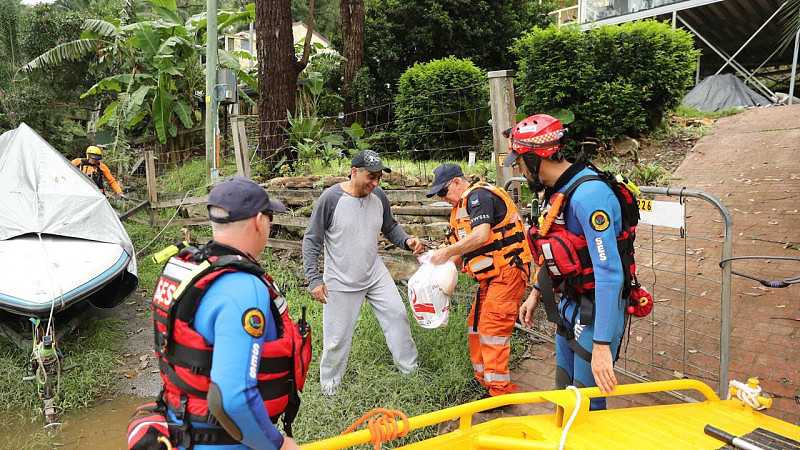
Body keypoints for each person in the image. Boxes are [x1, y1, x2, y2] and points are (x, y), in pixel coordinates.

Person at [149, 177, 306, 449]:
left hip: (180, 428)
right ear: (259, 221)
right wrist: (276, 444)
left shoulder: (188, 268)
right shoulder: (244, 288)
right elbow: (233, 398)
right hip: (222, 441)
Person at [506, 114, 637, 410]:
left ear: (533, 157)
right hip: (570, 303)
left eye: (519, 162)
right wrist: (536, 294)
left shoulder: (589, 195)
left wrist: (602, 344)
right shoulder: (557, 191)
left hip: (597, 307)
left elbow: (609, 272)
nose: (518, 169)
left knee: (585, 403)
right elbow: (554, 248)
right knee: (564, 392)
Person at [302, 149, 423, 396]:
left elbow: (390, 227)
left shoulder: (378, 195)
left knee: (397, 316)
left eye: (379, 177)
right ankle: (330, 389)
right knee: (336, 339)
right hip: (341, 280)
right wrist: (314, 279)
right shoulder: (331, 199)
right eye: (371, 176)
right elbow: (312, 240)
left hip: (374, 274)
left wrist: (407, 241)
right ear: (354, 171)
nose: (376, 183)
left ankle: (410, 371)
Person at [428, 163, 533, 398]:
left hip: (508, 271)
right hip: (490, 278)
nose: (443, 198)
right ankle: (485, 381)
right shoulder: (461, 208)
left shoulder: (479, 196)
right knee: (475, 326)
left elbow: (481, 235)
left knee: (491, 329)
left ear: (456, 182)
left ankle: (498, 394)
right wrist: (431, 265)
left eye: (443, 192)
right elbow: (459, 254)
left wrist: (445, 253)